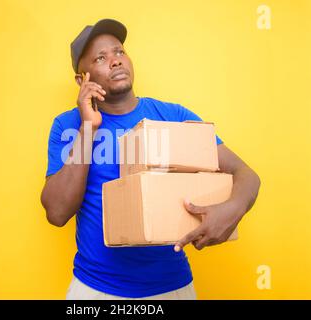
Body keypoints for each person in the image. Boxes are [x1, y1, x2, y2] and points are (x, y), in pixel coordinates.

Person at [41, 19, 261, 300]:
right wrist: (88, 127)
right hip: (94, 288)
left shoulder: (173, 117)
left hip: (172, 287)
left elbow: (246, 174)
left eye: (119, 52)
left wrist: (233, 208)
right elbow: (57, 213)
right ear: (81, 79)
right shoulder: (68, 126)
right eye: (100, 57)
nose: (115, 61)